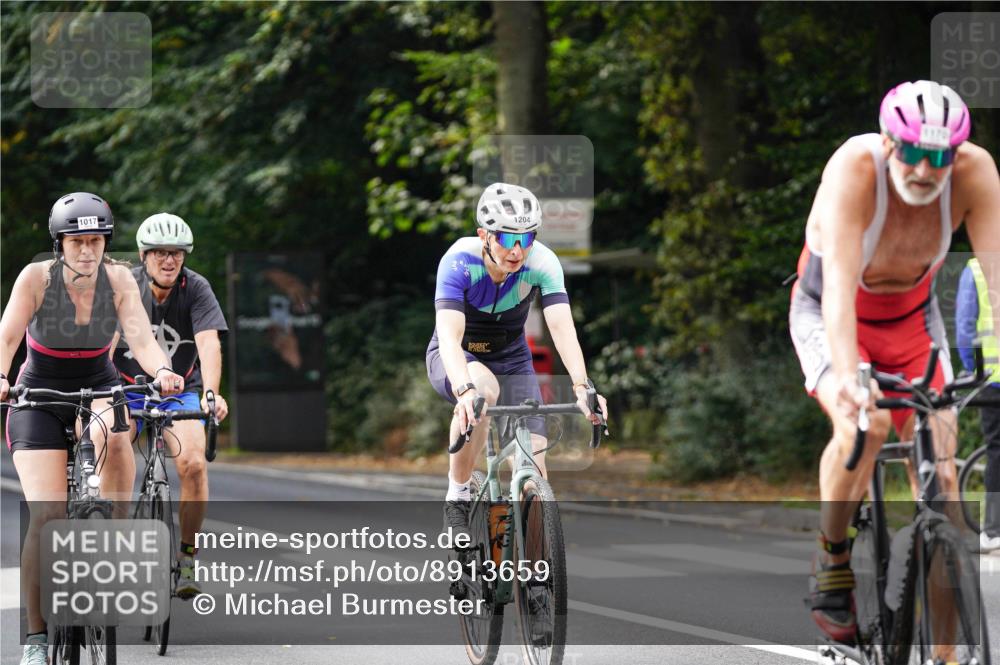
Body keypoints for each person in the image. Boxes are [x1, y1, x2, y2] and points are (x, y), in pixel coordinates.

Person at [789, 80, 1000, 644]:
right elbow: (835, 291)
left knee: (946, 488)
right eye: (913, 152)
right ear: (888, 142)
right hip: (833, 314)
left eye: (941, 157)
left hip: (911, 321)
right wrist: (851, 381)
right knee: (869, 424)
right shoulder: (854, 169)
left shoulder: (976, 175)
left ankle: (948, 655)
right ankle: (832, 556)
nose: (927, 170)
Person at [0, 193, 185, 665]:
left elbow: (141, 338)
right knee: (46, 518)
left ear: (107, 243)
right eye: (76, 241)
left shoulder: (120, 280)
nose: (86, 250)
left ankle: (115, 539)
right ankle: (36, 640)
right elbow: (7, 337)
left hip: (98, 387)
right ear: (59, 244)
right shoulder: (36, 278)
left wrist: (162, 370)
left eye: (96, 241)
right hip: (39, 395)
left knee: (116, 431)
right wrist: (1, 377)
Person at [426, 182, 608, 542]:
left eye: (526, 238)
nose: (517, 250)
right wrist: (464, 390)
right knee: (482, 393)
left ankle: (534, 571)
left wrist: (582, 386)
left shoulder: (542, 261)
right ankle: (457, 494)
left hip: (512, 357)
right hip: (461, 353)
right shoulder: (459, 261)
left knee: (535, 467)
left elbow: (561, 325)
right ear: (484, 235)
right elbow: (449, 335)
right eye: (508, 239)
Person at [112, 212, 229, 598]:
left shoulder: (196, 287)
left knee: (193, 465)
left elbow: (209, 343)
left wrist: (211, 394)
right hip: (126, 386)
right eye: (160, 252)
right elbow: (107, 342)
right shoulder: (124, 285)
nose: (168, 260)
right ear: (144, 256)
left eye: (176, 253)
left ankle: (188, 556)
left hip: (181, 389)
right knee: (113, 450)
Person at [955, 256, 1000, 551]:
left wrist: (973, 368)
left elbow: (965, 326)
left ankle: (994, 530)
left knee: (997, 451)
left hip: (993, 379)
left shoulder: (975, 269)